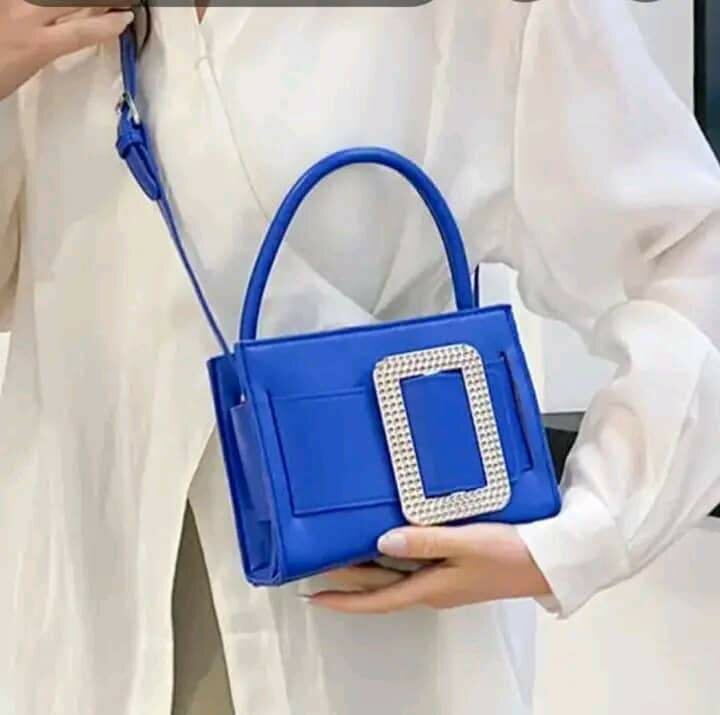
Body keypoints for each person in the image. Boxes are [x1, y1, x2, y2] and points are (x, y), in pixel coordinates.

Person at [2, 1, 720, 713]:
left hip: (355, 632)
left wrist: (587, 532)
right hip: (80, 609)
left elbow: (691, 253)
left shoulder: (484, 17)